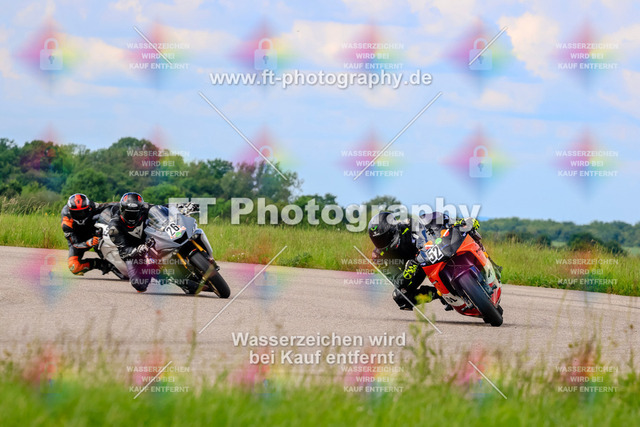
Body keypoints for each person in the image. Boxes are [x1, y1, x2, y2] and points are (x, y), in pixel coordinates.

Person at [368, 211, 483, 310]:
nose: (382, 243)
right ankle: (439, 294)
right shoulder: (379, 257)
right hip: (414, 270)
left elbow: (434, 221)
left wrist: (457, 223)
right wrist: (407, 273)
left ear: (393, 230)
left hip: (429, 252)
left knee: (467, 232)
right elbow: (397, 281)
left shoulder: (407, 225)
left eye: (384, 238)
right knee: (400, 296)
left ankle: (482, 256)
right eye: (377, 240)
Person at [108, 192, 199, 293]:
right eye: (129, 213)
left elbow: (162, 208)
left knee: (178, 237)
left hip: (151, 239)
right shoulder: (114, 227)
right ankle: (175, 279)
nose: (132, 217)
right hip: (133, 254)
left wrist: (182, 206)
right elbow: (124, 249)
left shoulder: (146, 207)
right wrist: (136, 250)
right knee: (139, 284)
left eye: (135, 213)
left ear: (140, 209)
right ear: (122, 210)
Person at [61, 193, 116, 275]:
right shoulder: (66, 223)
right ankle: (101, 264)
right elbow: (74, 244)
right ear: (70, 211)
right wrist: (88, 243)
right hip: (78, 239)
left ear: (88, 208)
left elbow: (106, 205)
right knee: (74, 267)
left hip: (93, 230)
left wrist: (125, 205)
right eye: (76, 213)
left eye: (83, 212)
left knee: (105, 214)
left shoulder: (91, 205)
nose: (80, 215)